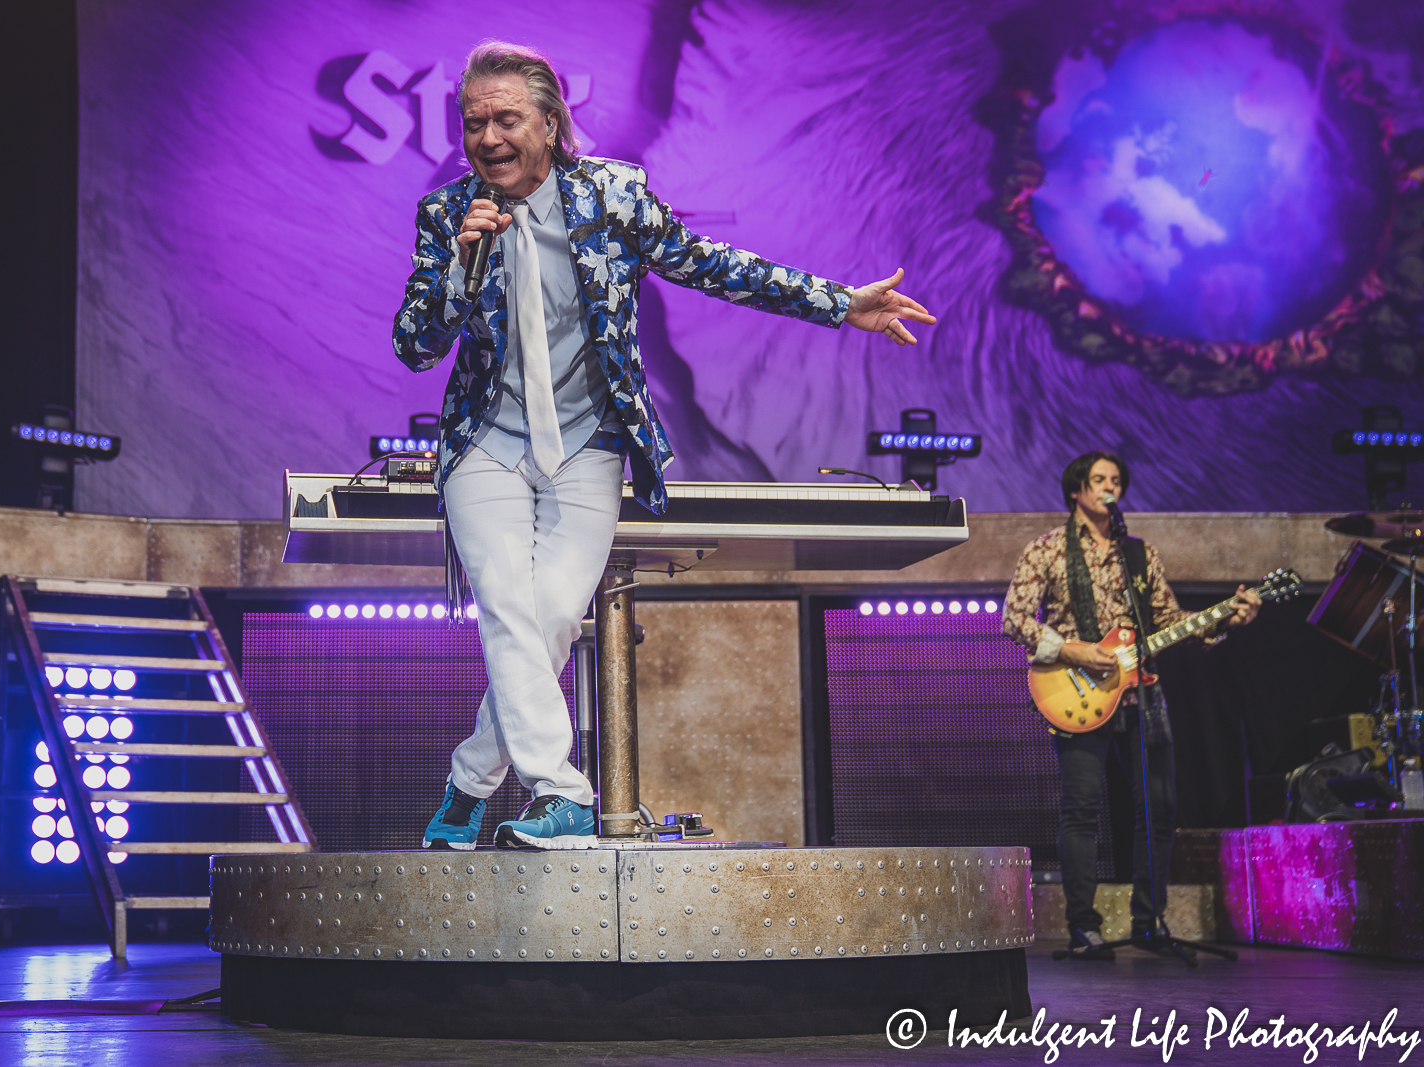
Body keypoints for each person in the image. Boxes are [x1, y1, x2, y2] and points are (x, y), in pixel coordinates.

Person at [394, 41, 936, 850]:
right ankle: (564, 792)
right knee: (508, 607)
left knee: (544, 623)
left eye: (506, 119)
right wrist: (460, 271)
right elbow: (413, 346)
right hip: (486, 442)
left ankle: (468, 785)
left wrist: (838, 303)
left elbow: (710, 265)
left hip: (590, 442)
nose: (488, 138)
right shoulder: (448, 216)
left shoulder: (614, 196)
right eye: (473, 122)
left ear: (550, 122)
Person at [1002, 452, 1261, 956]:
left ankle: (1150, 921)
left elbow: (1168, 621)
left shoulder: (1139, 554)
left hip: (1141, 691)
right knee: (1082, 809)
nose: (1109, 488)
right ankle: (1083, 927)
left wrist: (1227, 618)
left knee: (1158, 807)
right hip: (1074, 689)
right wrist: (1074, 649)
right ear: (1076, 490)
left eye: (1116, 481)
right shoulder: (1048, 550)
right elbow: (1015, 619)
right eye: (1099, 480)